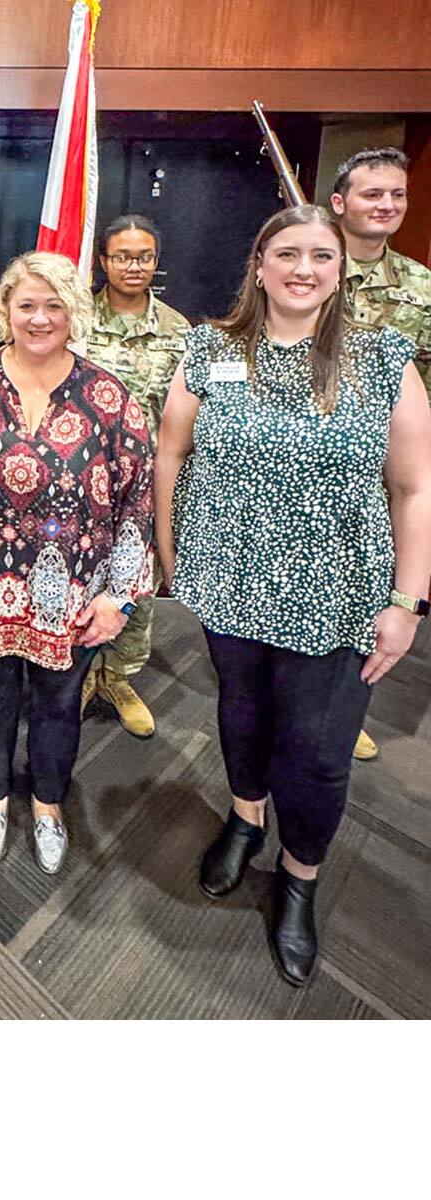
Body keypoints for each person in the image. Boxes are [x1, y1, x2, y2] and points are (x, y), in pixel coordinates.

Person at [156, 204, 431, 987]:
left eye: (321, 255)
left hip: (339, 595)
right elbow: (171, 451)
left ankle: (300, 878)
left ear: (341, 271)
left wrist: (408, 602)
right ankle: (245, 821)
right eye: (287, 253)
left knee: (316, 755)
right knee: (242, 715)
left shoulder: (382, 359)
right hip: (229, 585)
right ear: (259, 264)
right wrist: (176, 557)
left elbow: (416, 487)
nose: (303, 268)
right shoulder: (210, 349)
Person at [0, 251, 153, 875]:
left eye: (53, 306)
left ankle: (48, 803)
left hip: (74, 591)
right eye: (26, 306)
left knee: (57, 701)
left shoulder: (108, 395)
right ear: (4, 312)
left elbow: (138, 499)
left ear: (73, 311)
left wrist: (119, 594)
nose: (39, 318)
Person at [330, 147, 431, 761]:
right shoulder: (306, 266)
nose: (387, 205)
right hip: (303, 462)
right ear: (340, 203)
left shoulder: (421, 288)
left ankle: (344, 706)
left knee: (369, 589)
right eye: (372, 194)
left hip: (381, 470)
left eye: (397, 195)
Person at [81, 214, 191, 739]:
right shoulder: (75, 321)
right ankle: (81, 671)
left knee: (135, 582)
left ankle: (120, 677)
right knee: (80, 575)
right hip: (80, 481)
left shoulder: (178, 332)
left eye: (143, 257)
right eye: (122, 256)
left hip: (144, 484)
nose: (133, 266)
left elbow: (186, 418)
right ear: (103, 260)